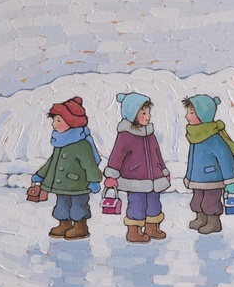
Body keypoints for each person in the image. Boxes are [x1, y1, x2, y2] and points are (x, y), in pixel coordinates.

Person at [103, 92, 171, 243]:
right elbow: (117, 155)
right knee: (137, 204)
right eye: (144, 113)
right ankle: (134, 231)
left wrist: (163, 170)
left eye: (148, 113)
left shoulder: (150, 134)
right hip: (134, 179)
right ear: (132, 114)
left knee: (154, 203)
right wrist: (111, 175)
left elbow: (157, 154)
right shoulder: (125, 135)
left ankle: (152, 227)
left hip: (154, 178)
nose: (148, 116)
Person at [31, 97, 102, 240]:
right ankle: (64, 224)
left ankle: (80, 226)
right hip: (62, 184)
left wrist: (94, 180)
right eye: (54, 120)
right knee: (62, 204)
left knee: (78, 205)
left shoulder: (81, 144)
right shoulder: (60, 141)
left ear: (71, 122)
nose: (54, 124)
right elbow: (53, 162)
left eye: (58, 120)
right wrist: (41, 174)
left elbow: (89, 164)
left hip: (77, 184)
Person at [182, 95, 234, 235]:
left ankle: (214, 222)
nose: (187, 116)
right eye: (188, 112)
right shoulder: (195, 135)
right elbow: (193, 160)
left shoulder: (214, 138)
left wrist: (230, 180)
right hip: (197, 178)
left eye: (191, 113)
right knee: (197, 200)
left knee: (210, 202)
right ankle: (201, 219)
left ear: (203, 115)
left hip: (212, 178)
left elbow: (225, 158)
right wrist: (189, 176)